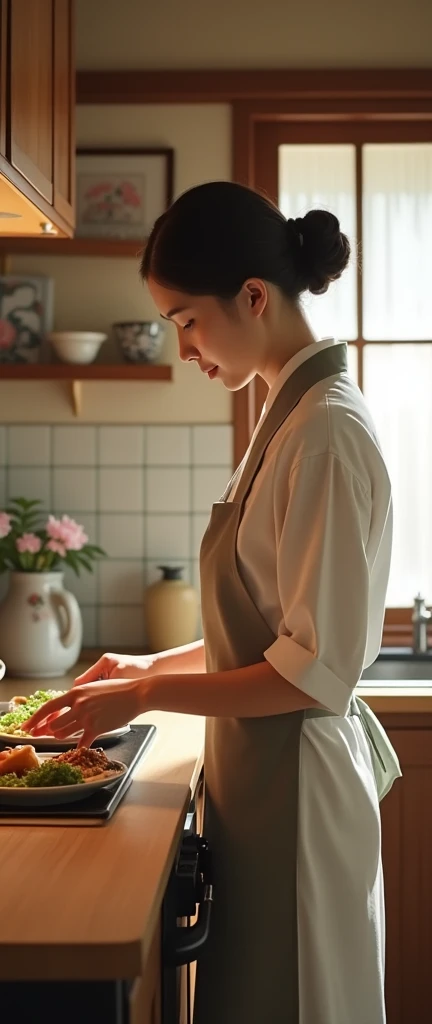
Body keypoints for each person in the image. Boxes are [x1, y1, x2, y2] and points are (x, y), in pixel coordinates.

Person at [26, 181, 402, 1024]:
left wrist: (151, 693)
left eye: (187, 319)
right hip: (266, 781)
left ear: (254, 296)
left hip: (300, 792)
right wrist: (148, 664)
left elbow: (310, 674)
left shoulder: (327, 433)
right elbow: (269, 633)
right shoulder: (286, 413)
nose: (186, 347)